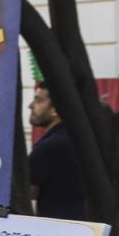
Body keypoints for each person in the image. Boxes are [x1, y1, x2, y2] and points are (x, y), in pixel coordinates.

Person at [26, 85, 86, 221]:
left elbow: (23, 190)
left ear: (55, 109)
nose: (30, 106)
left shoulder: (52, 145)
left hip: (57, 226)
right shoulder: (77, 138)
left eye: (38, 100)